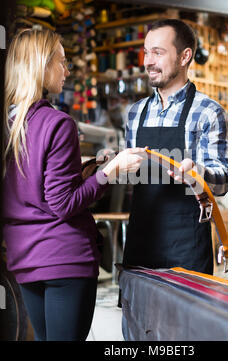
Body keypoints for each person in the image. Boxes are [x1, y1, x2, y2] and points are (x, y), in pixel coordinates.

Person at [2, 28, 145, 341]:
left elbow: (29, 187)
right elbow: (63, 203)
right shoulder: (58, 123)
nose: (66, 72)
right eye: (61, 63)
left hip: (24, 257)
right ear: (42, 66)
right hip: (64, 258)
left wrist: (84, 171)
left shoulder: (10, 124)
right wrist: (111, 170)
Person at [122, 19, 228, 274]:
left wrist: (198, 173)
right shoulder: (135, 113)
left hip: (186, 247)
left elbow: (224, 181)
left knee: (185, 315)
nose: (148, 61)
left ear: (185, 57)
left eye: (158, 53)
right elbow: (131, 177)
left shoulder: (208, 112)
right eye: (146, 52)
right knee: (137, 315)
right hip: (141, 244)